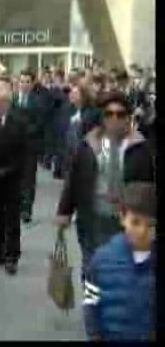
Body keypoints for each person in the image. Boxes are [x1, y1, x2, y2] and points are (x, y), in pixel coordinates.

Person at [56, 91, 155, 277]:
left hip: (125, 222)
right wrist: (64, 211)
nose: (114, 119)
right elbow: (73, 179)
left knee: (121, 269)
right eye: (109, 114)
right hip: (92, 217)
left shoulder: (140, 148)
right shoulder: (88, 144)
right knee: (92, 267)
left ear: (128, 118)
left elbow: (148, 187)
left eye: (120, 114)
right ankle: (94, 302)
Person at [82, 182, 155, 342]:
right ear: (122, 218)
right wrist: (94, 336)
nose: (142, 231)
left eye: (151, 225)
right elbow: (90, 301)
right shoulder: (101, 260)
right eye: (135, 222)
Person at [0, 78, 27, 275]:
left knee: (11, 218)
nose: (1, 105)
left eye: (5, 101)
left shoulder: (19, 121)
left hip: (12, 177)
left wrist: (10, 169)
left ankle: (11, 256)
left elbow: (25, 152)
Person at [13, 69, 47, 224]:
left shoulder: (38, 101)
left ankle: (27, 209)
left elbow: (39, 124)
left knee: (28, 179)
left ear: (32, 84)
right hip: (13, 147)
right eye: (22, 81)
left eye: (27, 82)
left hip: (30, 146)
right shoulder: (12, 99)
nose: (24, 85)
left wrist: (22, 131)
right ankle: (16, 206)